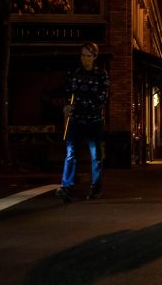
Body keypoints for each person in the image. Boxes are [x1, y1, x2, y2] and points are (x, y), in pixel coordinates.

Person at [56, 42, 110, 203]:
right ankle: (66, 186)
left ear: (94, 57)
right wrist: (67, 104)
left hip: (94, 119)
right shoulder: (74, 72)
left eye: (88, 56)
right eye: (83, 55)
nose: (85, 59)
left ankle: (96, 186)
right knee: (71, 152)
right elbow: (67, 91)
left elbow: (102, 97)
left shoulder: (101, 74)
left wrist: (79, 103)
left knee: (96, 155)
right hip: (76, 119)